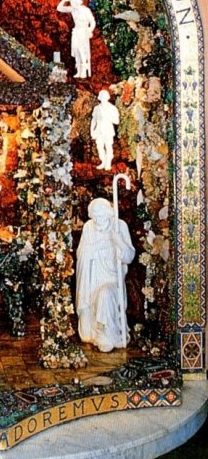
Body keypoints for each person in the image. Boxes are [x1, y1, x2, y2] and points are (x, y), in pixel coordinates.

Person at [76, 198, 135, 353]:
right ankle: (98, 334)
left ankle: (106, 335)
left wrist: (119, 241)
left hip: (111, 279)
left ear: (109, 214)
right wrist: (97, 246)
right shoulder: (89, 228)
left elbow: (129, 256)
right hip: (92, 279)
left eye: (101, 216)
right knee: (95, 295)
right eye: (95, 216)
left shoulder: (119, 226)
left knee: (105, 294)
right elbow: (81, 253)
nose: (98, 220)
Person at [56, 0, 96, 78]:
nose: (72, 5)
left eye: (73, 3)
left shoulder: (85, 10)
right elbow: (59, 8)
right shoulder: (73, 10)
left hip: (83, 31)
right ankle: (79, 70)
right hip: (76, 31)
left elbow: (92, 21)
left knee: (81, 51)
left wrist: (89, 30)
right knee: (76, 51)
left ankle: (84, 70)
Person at [90, 89, 120, 170]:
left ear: (107, 98)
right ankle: (103, 161)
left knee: (108, 146)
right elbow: (94, 120)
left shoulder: (112, 108)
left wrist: (108, 117)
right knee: (99, 147)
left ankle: (108, 162)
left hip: (108, 131)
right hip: (99, 131)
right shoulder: (96, 108)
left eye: (105, 97)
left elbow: (117, 121)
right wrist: (92, 130)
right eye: (102, 97)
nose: (103, 99)